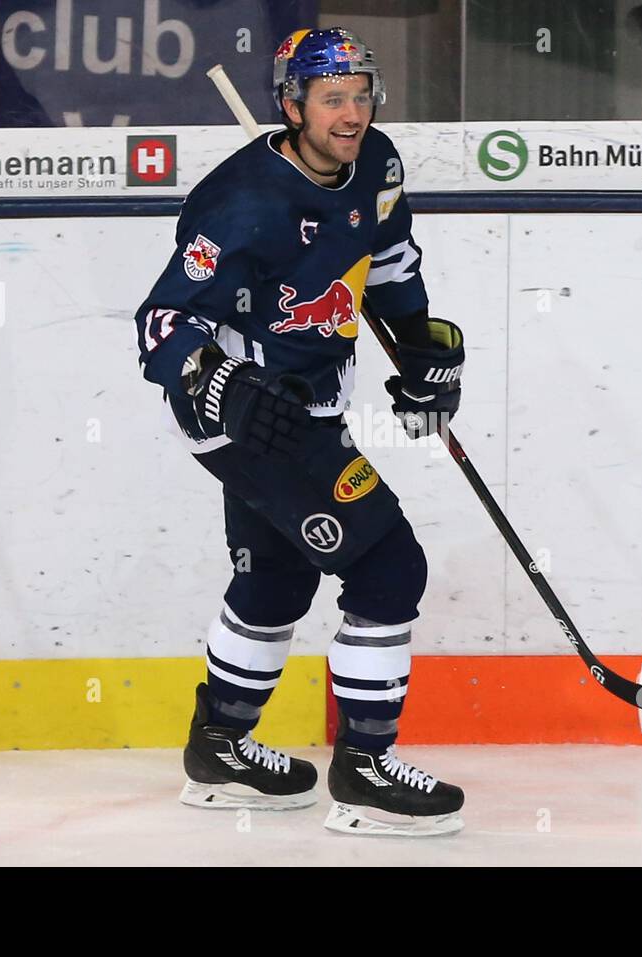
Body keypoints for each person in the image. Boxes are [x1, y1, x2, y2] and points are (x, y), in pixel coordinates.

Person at [133, 28, 466, 837]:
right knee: (389, 565)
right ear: (292, 106)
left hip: (311, 403)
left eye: (360, 95)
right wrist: (219, 381)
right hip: (246, 416)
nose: (351, 113)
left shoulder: (377, 162)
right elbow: (160, 323)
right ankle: (365, 770)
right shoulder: (243, 201)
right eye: (332, 99)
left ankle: (220, 751)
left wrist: (421, 345)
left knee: (276, 581)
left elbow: (386, 261)